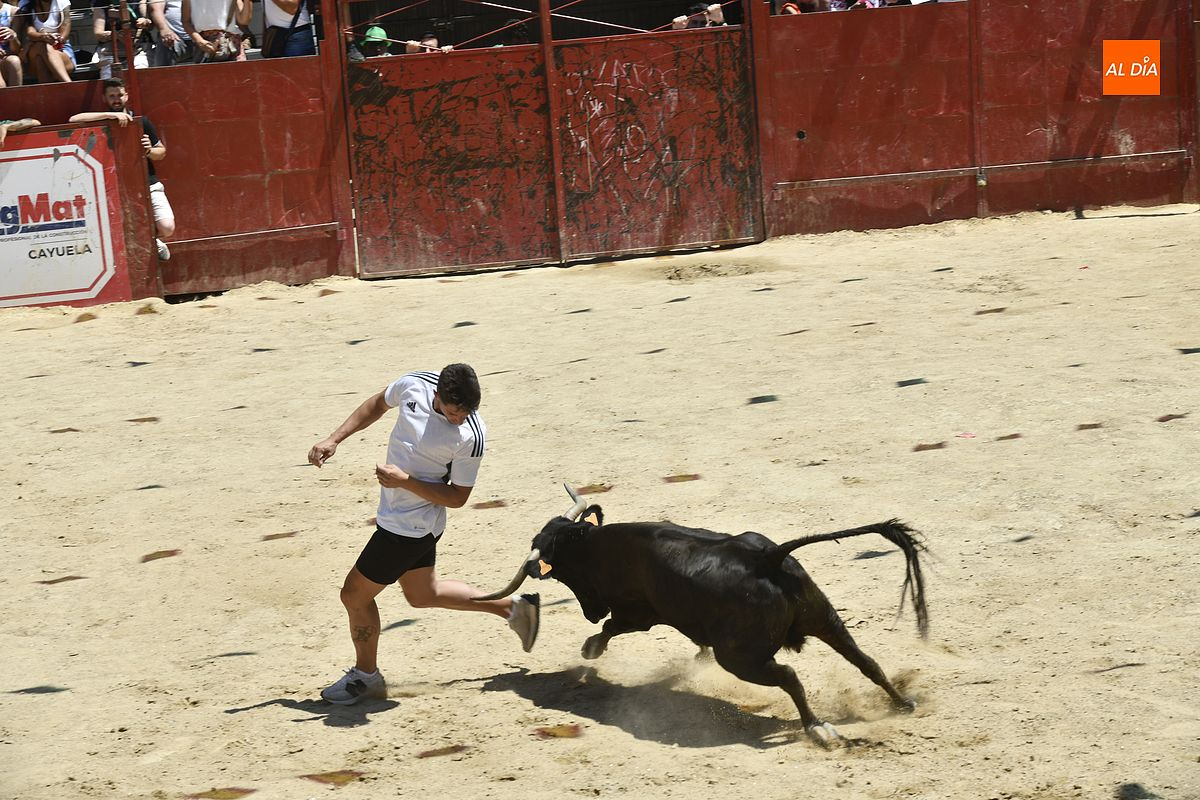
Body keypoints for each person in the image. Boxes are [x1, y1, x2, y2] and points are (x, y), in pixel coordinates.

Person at [308, 364, 539, 706]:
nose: (459, 420)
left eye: (465, 413)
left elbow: (457, 497)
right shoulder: (413, 385)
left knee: (354, 596)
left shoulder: (470, 436)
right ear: (437, 396)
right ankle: (515, 609)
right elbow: (377, 404)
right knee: (422, 594)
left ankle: (365, 676)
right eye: (452, 413)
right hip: (404, 520)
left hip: (409, 528)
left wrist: (404, 482)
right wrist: (334, 439)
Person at [68, 78, 174, 261]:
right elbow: (73, 120)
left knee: (167, 227)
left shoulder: (142, 122)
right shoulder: (102, 121)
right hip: (115, 189)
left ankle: (152, 238)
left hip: (147, 183)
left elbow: (161, 152)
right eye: (112, 96)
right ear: (104, 98)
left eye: (119, 95)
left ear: (127, 96)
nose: (116, 99)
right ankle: (150, 240)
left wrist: (148, 150)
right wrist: (110, 116)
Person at [15, 0, 75, 82]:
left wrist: (49, 39)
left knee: (40, 60)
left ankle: (53, 89)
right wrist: (44, 37)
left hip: (60, 48)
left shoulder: (62, 2)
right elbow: (30, 33)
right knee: (42, 46)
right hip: (34, 48)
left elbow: (63, 36)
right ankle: (68, 84)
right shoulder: (25, 4)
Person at [180, 0, 251, 63]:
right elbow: (186, 22)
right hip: (205, 44)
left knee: (237, 73)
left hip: (231, 44)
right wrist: (199, 40)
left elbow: (244, 21)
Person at [146, 0, 194, 66]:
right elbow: (155, 9)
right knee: (165, 71)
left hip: (199, 37)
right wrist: (164, 29)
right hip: (172, 38)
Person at [1, 0, 23, 86]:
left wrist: (13, 37)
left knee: (14, 61)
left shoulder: (13, 12)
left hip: (5, 57)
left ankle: (17, 94)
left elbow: (16, 50)